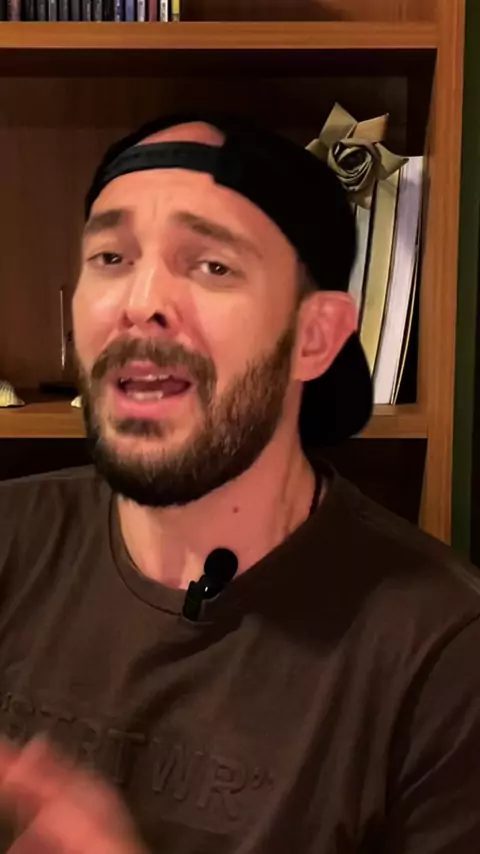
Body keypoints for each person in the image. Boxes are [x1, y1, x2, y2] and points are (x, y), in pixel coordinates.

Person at [0, 111, 479, 854]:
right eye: (111, 257)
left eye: (212, 265)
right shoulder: (11, 539)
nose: (139, 302)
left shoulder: (443, 654)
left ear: (315, 337)